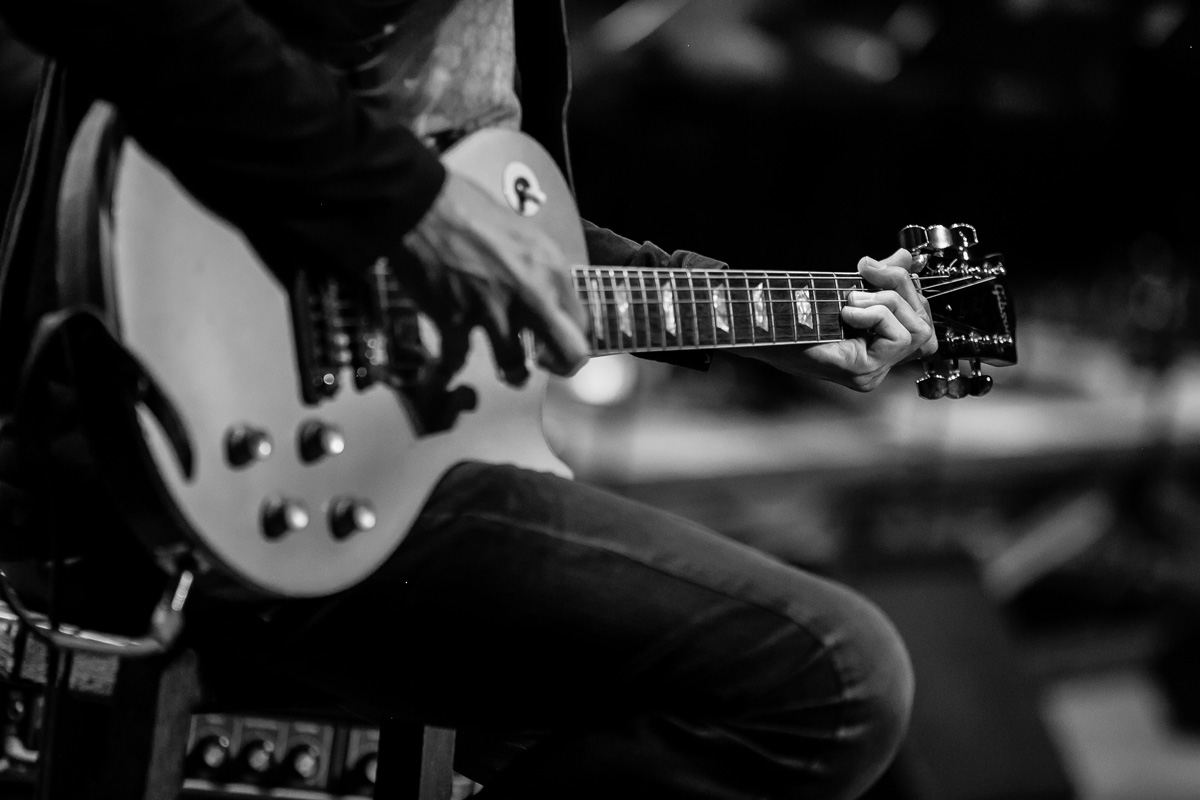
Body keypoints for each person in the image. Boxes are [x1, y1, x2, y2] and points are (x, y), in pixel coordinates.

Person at [0, 2, 935, 798]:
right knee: (832, 680)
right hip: (172, 429)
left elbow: (493, 225)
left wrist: (760, 315)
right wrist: (403, 207)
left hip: (374, 450)